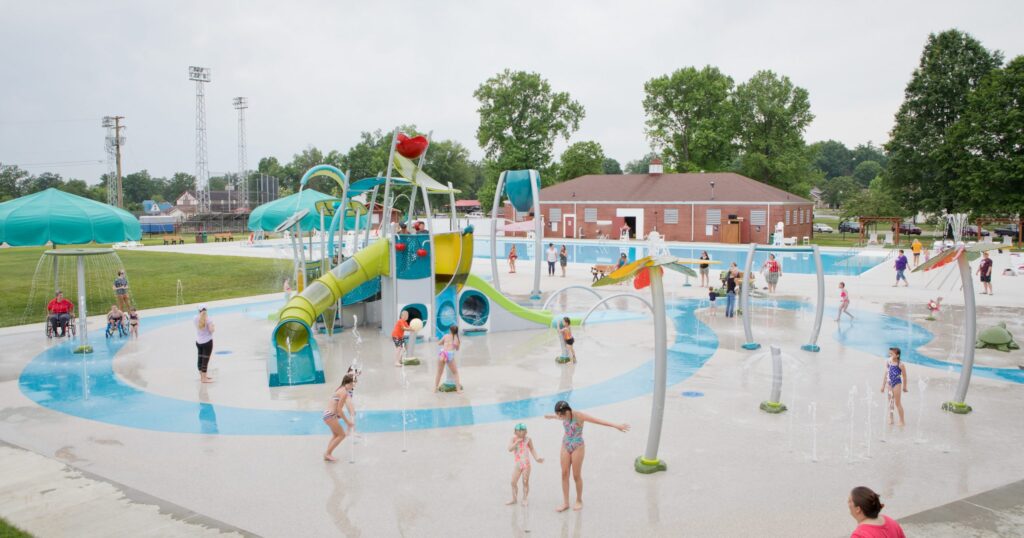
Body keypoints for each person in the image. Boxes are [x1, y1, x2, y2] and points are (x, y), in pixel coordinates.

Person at [544, 401, 629, 512]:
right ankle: (565, 502)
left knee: (576, 475)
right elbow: (558, 417)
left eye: (561, 415)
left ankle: (579, 500)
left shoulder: (579, 416)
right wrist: (551, 416)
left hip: (577, 446)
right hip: (565, 444)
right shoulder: (561, 415)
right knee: (564, 473)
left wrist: (616, 425)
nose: (560, 418)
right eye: (558, 415)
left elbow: (598, 421)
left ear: (568, 411)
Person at [506, 423, 544, 506]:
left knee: (525, 481)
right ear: (515, 432)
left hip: (526, 464)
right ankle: (514, 498)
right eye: (519, 432)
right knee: (513, 482)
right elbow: (509, 449)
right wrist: (516, 442)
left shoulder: (528, 439)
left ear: (526, 432)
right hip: (518, 464)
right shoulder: (513, 439)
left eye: (523, 432)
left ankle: (525, 498)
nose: (521, 434)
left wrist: (537, 458)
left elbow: (532, 449)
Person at [322, 373, 357, 462]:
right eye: (353, 384)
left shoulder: (340, 389)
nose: (353, 386)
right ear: (349, 383)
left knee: (335, 435)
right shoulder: (344, 392)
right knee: (342, 435)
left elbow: (336, 406)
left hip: (327, 414)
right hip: (330, 415)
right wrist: (347, 422)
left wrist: (337, 415)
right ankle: (328, 454)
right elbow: (339, 409)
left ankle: (327, 453)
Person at [880, 347, 908, 426]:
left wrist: (904, 387)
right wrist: (883, 385)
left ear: (897, 355)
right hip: (889, 383)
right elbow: (886, 373)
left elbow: (905, 376)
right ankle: (891, 419)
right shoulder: (888, 361)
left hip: (897, 383)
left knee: (897, 403)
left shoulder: (901, 364)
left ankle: (902, 421)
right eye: (890, 353)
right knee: (890, 403)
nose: (890, 355)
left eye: (892, 354)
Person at [434, 325, 463, 392]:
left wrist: (445, 343)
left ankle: (435, 388)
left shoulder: (445, 336)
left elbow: (439, 343)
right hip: (449, 355)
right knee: (455, 373)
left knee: (439, 372)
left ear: (450, 330)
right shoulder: (456, 338)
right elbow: (457, 349)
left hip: (442, 353)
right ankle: (458, 390)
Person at [195, 305, 215, 383]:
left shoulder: (195, 318)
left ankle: (202, 376)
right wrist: (213, 326)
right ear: (206, 310)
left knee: (200, 358)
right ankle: (204, 379)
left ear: (198, 311)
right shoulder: (209, 319)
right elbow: (211, 330)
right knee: (205, 360)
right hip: (207, 342)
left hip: (198, 342)